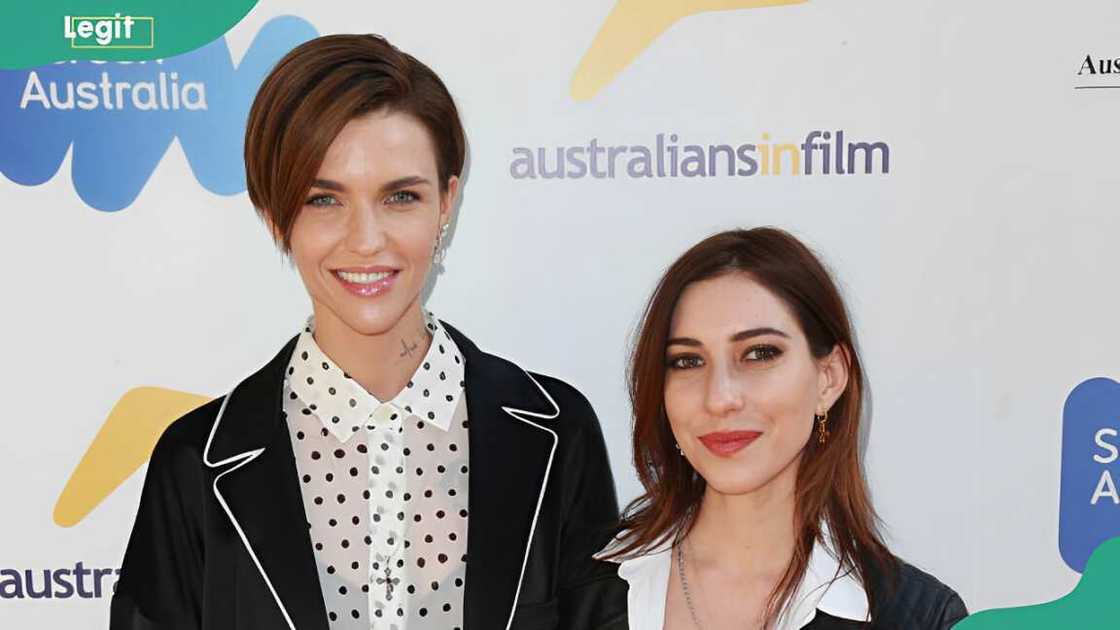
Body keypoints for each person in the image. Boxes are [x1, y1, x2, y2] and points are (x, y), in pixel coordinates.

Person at [109, 33, 626, 630]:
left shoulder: (555, 433)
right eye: (323, 200)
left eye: (400, 196)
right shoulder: (197, 462)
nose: (366, 240)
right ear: (274, 215)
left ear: (446, 203)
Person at [598, 228, 967, 629]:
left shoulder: (919, 618)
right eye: (687, 361)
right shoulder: (580, 591)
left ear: (829, 378)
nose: (720, 398)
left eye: (759, 354)